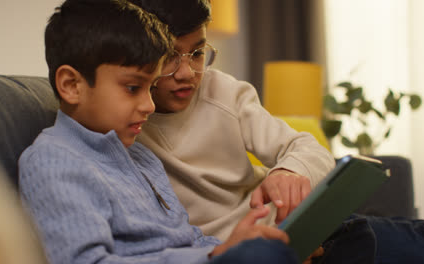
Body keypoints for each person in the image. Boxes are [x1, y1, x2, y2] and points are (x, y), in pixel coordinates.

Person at [18, 0, 303, 263]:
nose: (149, 105)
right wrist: (220, 253)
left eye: (150, 87)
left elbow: (189, 239)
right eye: (133, 88)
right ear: (70, 85)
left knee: (333, 234)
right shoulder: (53, 161)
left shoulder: (138, 155)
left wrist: (233, 243)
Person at [131, 0, 335, 241]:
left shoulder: (223, 91)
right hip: (232, 249)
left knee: (370, 231)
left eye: (197, 54)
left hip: (288, 227)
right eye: (168, 57)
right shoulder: (125, 119)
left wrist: (287, 171)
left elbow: (311, 150)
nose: (187, 73)